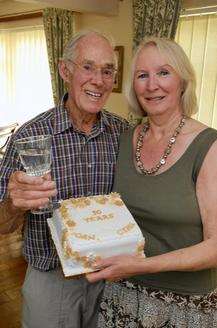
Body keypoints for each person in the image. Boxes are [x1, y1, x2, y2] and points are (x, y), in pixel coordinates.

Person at [87, 37, 217, 327]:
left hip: (185, 304)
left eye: (163, 72)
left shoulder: (211, 147)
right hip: (123, 294)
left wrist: (142, 266)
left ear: (183, 81)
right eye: (142, 75)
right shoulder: (124, 138)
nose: (152, 85)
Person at [0, 30, 129, 328]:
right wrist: (14, 204)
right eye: (88, 67)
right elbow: (2, 223)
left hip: (112, 279)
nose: (98, 79)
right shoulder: (30, 137)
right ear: (65, 70)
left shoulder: (123, 134)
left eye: (107, 70)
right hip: (51, 280)